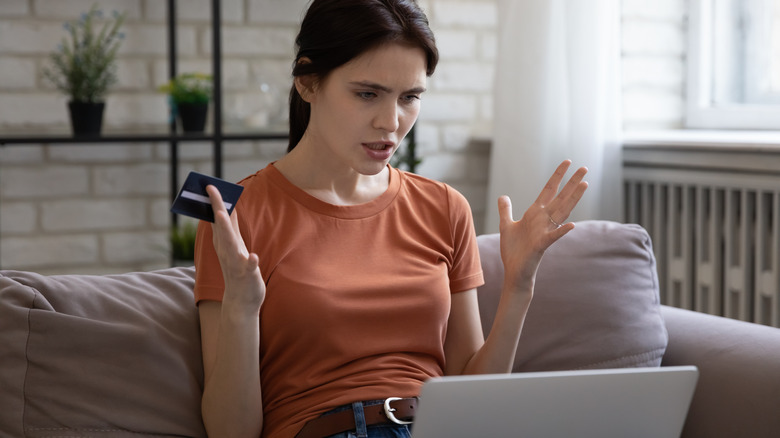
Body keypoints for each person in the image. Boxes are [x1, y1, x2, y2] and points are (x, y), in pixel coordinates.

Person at [193, 0, 588, 437]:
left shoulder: (444, 208)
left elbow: (473, 403)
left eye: (410, 97)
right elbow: (232, 432)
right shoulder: (236, 214)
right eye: (367, 93)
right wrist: (241, 311)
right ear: (308, 82)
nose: (391, 122)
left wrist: (518, 286)